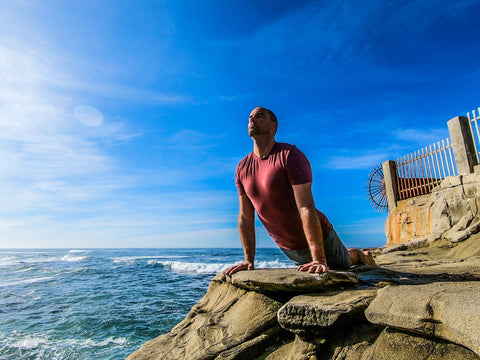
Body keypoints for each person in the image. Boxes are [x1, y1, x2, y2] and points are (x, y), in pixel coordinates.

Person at [224, 107, 375, 276]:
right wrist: (248, 261)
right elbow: (245, 217)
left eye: (259, 116)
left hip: (320, 239)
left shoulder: (290, 155)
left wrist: (319, 259)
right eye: (250, 117)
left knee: (343, 263)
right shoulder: (242, 168)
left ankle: (361, 254)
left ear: (274, 126)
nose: (251, 120)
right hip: (288, 247)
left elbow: (306, 207)